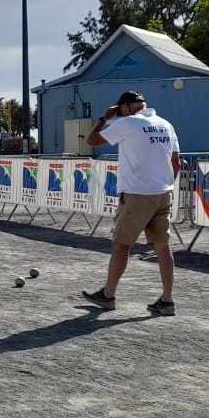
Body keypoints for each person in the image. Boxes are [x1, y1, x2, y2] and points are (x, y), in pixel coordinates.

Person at [82, 90, 180, 315]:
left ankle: (108, 295)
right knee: (162, 246)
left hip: (137, 193)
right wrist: (165, 184)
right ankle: (167, 299)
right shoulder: (166, 124)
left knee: (121, 245)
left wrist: (106, 118)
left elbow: (92, 140)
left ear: (125, 107)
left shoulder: (128, 123)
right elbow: (175, 161)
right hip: (162, 192)